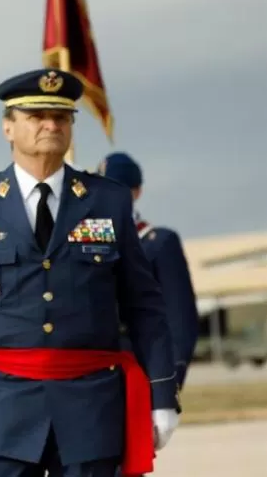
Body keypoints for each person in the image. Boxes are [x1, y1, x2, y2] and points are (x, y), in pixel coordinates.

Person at [0, 68, 181, 477]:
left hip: (90, 410)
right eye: (36, 116)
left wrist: (162, 394)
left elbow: (144, 306)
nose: (51, 125)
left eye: (61, 117)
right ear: (8, 127)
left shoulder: (108, 200)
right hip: (2, 412)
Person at [96, 152, 200, 390]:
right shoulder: (90, 240)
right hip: (97, 374)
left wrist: (171, 376)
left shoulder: (158, 243)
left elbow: (180, 316)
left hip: (143, 368)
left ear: (136, 192)